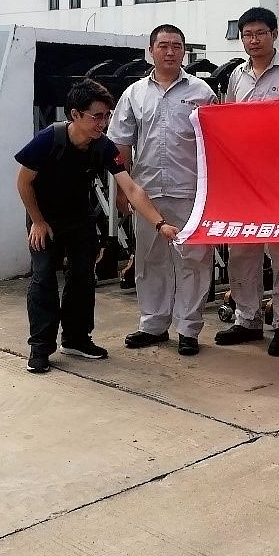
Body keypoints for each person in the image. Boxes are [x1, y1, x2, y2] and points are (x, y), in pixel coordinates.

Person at [15, 78, 181, 374]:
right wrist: (37, 221)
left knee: (83, 278)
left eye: (107, 116)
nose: (103, 123)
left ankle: (76, 339)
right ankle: (40, 347)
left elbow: (131, 188)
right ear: (75, 114)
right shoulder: (49, 139)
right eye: (97, 116)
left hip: (80, 219)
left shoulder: (103, 146)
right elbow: (23, 182)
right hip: (45, 220)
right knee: (44, 279)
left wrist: (159, 224)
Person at [216, 6, 279, 356]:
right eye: (247, 34)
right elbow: (229, 124)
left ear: (274, 34)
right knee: (243, 251)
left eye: (260, 33)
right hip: (246, 179)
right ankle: (247, 319)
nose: (254, 40)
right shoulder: (237, 76)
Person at [110, 25, 217, 357]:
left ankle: (188, 329)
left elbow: (215, 143)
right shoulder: (134, 94)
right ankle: (153, 325)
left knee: (193, 261)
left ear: (184, 51)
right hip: (147, 192)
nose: (170, 52)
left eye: (177, 46)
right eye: (163, 45)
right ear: (151, 50)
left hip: (191, 190)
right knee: (149, 260)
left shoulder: (202, 92)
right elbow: (120, 145)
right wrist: (122, 190)